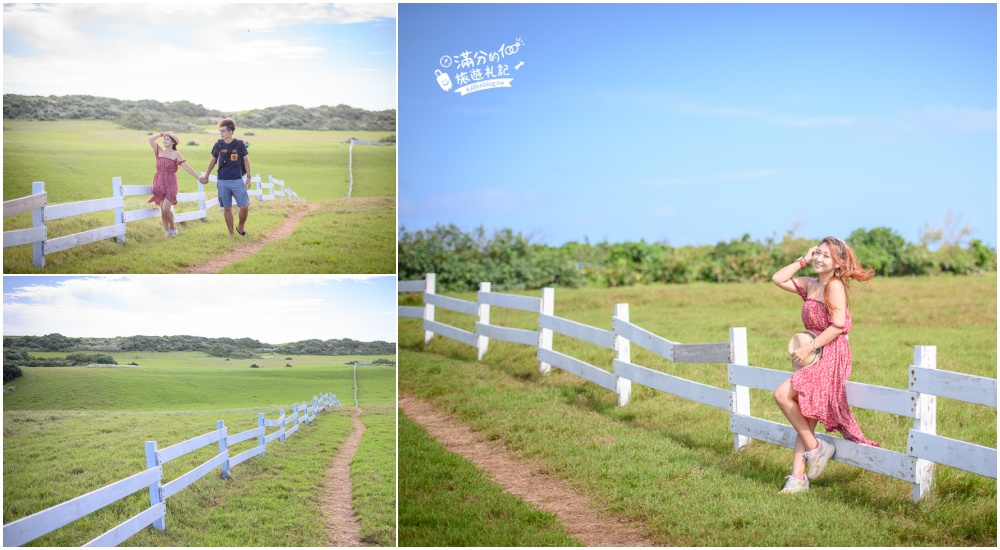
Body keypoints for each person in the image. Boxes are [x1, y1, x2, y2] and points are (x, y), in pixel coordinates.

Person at [771, 236, 878, 494]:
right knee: (805, 415)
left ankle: (816, 449)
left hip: (831, 353)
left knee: (782, 395)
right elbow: (778, 278)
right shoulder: (810, 284)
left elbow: (839, 325)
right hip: (815, 353)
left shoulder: (834, 286)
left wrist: (810, 346)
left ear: (838, 263)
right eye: (817, 253)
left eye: (826, 256)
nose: (819, 258)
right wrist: (803, 260)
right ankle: (798, 477)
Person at [199, 118, 252, 236]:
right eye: (220, 131)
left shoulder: (239, 144)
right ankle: (231, 233)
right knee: (227, 208)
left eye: (223, 131)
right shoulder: (218, 145)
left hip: (237, 180)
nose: (221, 133)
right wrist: (206, 176)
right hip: (222, 181)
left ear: (230, 131)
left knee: (244, 206)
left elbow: (246, 160)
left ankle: (240, 227)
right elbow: (213, 160)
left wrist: (249, 177)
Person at [148, 131, 202, 236]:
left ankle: (173, 228)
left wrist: (197, 177)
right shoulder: (158, 150)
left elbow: (186, 166)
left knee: (166, 208)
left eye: (167, 139)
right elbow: (150, 139)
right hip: (159, 182)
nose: (164, 140)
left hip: (171, 182)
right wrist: (162, 134)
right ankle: (167, 232)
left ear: (173, 142)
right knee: (163, 210)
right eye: (164, 139)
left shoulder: (176, 154)